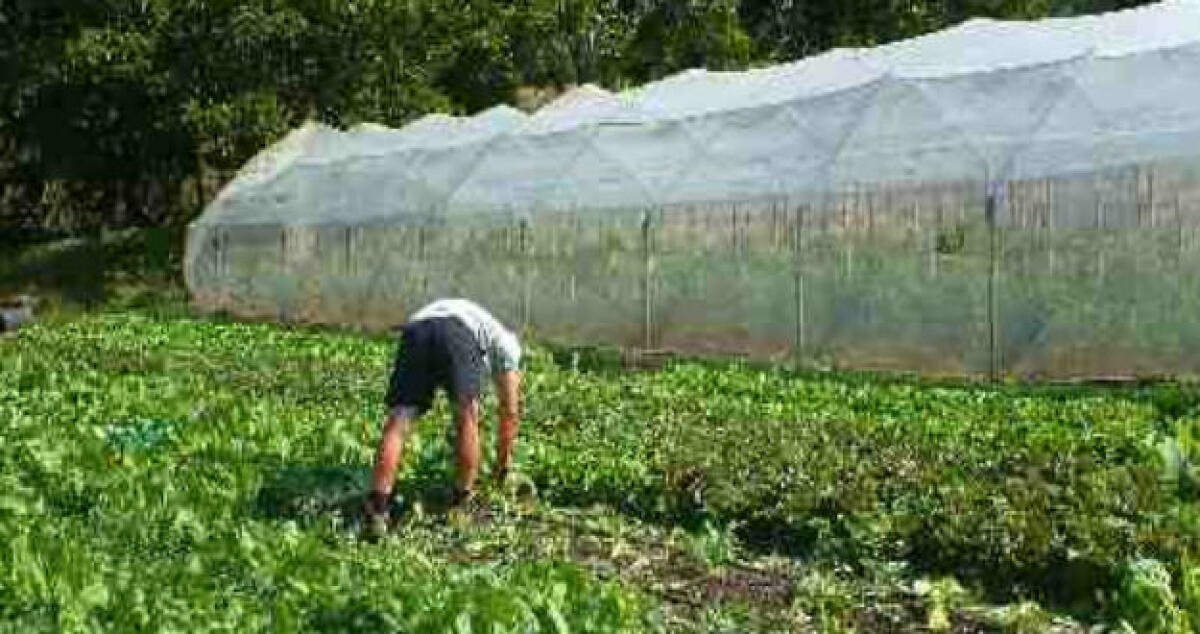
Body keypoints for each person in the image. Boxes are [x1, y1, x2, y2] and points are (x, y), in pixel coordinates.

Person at [364, 298, 522, 536]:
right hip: (456, 331)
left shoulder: (482, 323)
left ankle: (377, 509)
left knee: (399, 420)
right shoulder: (509, 346)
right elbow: (509, 411)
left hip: (416, 329)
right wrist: (502, 467)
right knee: (467, 417)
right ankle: (462, 502)